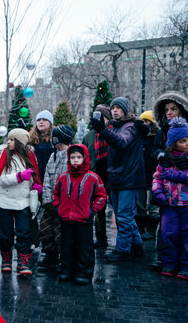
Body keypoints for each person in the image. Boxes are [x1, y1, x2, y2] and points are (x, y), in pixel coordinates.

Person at [92, 97, 149, 262]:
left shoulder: (130, 126)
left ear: (125, 110)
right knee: (124, 215)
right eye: (113, 108)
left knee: (124, 217)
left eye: (118, 107)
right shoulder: (115, 126)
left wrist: (103, 129)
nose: (115, 110)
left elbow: (121, 142)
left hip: (128, 178)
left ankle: (122, 250)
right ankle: (137, 246)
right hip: (117, 177)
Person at [0, 129, 42, 276]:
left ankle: (23, 261)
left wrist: (35, 184)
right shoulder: (4, 155)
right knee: (6, 234)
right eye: (8, 139)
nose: (8, 142)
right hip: (5, 202)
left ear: (20, 142)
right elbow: (0, 179)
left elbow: (34, 174)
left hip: (24, 201)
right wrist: (20, 176)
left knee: (24, 233)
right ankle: (6, 259)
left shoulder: (30, 156)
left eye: (12, 139)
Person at [52, 144, 107, 284]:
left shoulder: (93, 178)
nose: (76, 160)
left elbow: (101, 196)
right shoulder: (63, 177)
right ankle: (67, 269)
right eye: (72, 157)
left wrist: (92, 210)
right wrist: (58, 208)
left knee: (85, 247)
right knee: (67, 246)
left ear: (85, 158)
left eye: (79, 157)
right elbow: (56, 194)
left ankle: (84, 272)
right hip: (66, 218)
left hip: (84, 219)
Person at [152, 117, 188, 280]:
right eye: (183, 141)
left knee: (186, 235)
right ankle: (169, 263)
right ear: (174, 143)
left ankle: (185, 265)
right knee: (169, 233)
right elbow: (157, 178)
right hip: (169, 204)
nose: (187, 144)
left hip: (186, 204)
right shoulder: (166, 161)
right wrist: (158, 193)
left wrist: (177, 175)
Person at [38, 125, 75, 270]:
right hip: (51, 203)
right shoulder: (53, 156)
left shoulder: (71, 156)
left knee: (61, 231)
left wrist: (64, 202)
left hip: (65, 204)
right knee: (46, 228)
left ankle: (64, 257)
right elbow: (47, 178)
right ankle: (49, 254)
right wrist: (47, 200)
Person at [82, 105, 112, 248]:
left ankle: (130, 241)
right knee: (98, 210)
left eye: (104, 117)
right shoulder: (88, 136)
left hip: (112, 176)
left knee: (119, 210)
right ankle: (101, 237)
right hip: (95, 177)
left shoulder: (112, 132)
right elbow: (84, 156)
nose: (100, 120)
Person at [137, 110, 160, 241]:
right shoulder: (140, 137)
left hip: (153, 174)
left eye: (147, 121)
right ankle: (141, 228)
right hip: (141, 174)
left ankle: (151, 230)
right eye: (143, 122)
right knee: (140, 203)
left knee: (153, 204)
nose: (145, 124)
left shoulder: (156, 137)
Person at [29, 110, 55, 183]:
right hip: (35, 177)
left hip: (51, 177)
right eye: (39, 120)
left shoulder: (56, 139)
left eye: (44, 120)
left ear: (50, 123)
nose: (41, 122)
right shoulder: (30, 140)